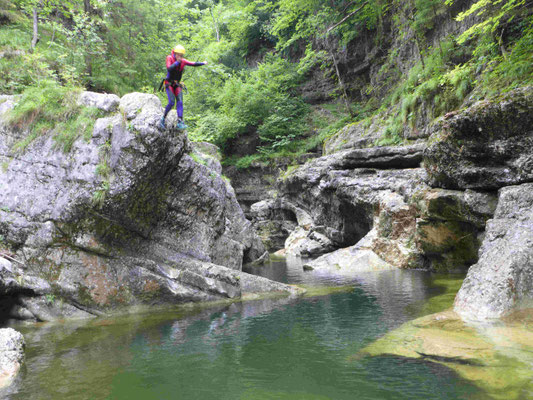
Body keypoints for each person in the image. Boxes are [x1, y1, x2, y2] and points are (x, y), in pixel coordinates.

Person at [159, 45, 207, 130]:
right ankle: (163, 119)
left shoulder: (183, 61)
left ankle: (180, 122)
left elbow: (193, 64)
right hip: (169, 83)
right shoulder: (169, 58)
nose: (180, 57)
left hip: (177, 84)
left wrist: (202, 63)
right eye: (179, 55)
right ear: (175, 53)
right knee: (171, 102)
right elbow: (169, 69)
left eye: (181, 55)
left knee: (180, 102)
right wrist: (177, 62)